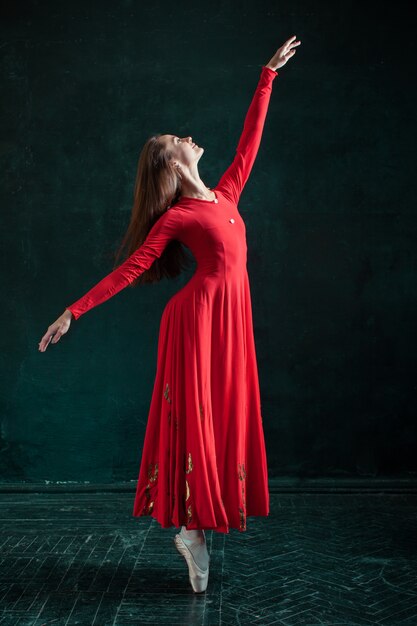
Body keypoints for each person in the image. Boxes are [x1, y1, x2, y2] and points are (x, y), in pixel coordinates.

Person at [38, 35, 301, 593]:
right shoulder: (177, 217)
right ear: (171, 162)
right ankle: (190, 530)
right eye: (175, 138)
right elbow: (130, 270)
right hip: (196, 322)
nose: (187, 135)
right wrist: (73, 311)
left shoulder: (225, 195)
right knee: (198, 423)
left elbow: (249, 143)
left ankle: (196, 531)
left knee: (224, 416)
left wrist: (267, 76)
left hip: (230, 321)